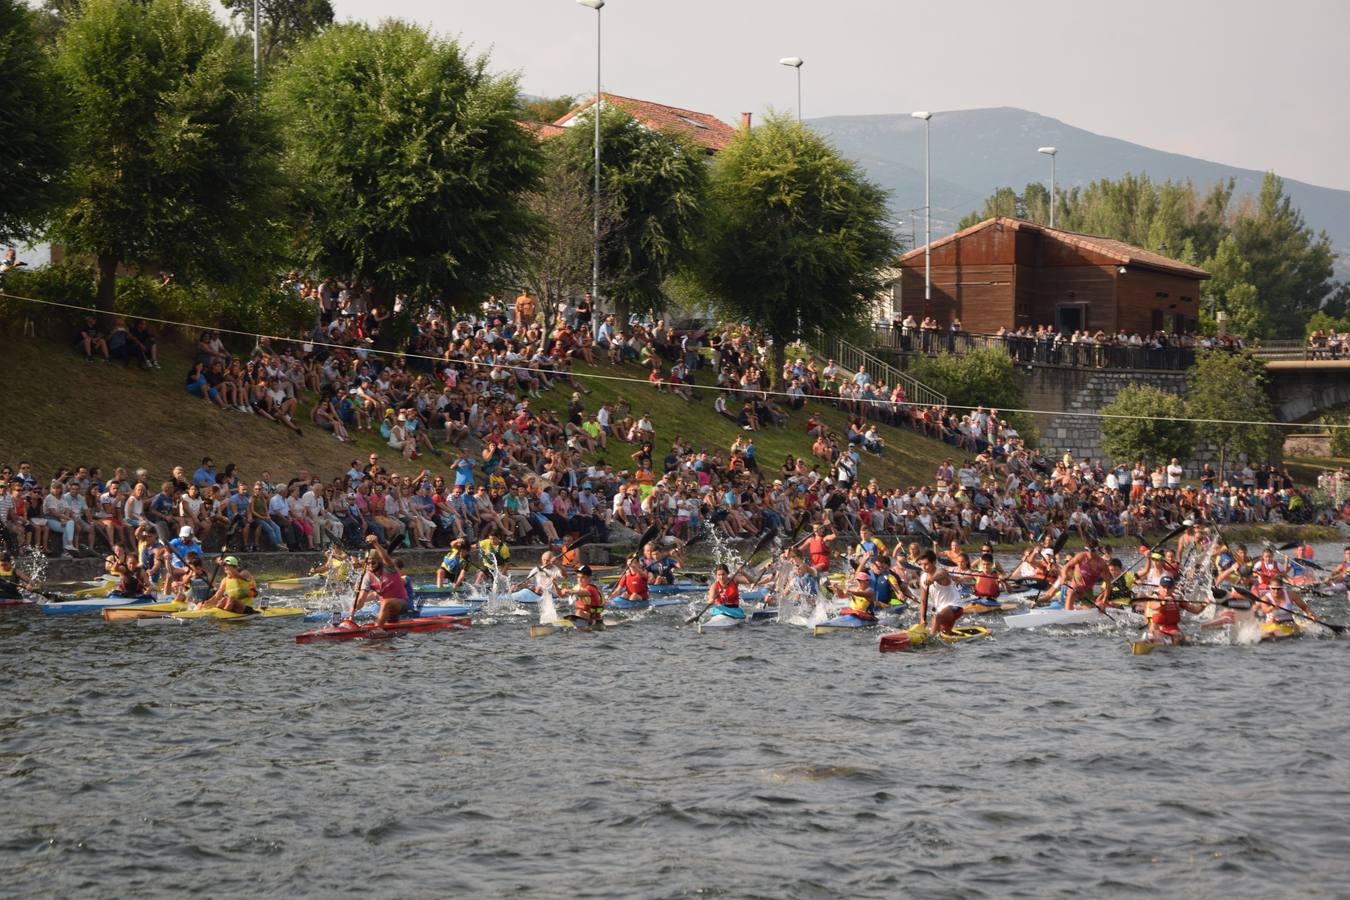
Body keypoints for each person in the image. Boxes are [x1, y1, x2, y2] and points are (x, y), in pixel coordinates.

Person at [350, 536, 408, 627]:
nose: (370, 566)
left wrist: (376, 543)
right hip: (387, 610)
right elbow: (361, 600)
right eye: (368, 563)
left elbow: (386, 558)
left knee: (386, 602)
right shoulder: (368, 576)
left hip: (402, 604)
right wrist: (351, 614)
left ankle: (377, 629)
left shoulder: (389, 568)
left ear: (381, 562)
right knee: (357, 603)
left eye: (373, 563)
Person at [1141, 575, 1205, 646]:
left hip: (1171, 629)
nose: (1166, 590)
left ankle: (1183, 639)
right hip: (1157, 628)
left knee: (1181, 638)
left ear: (1173, 588)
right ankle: (1150, 641)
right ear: (1160, 587)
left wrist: (1203, 605)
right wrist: (1163, 602)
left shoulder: (1177, 598)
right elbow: (1152, 606)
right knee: (1154, 632)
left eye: (1169, 588)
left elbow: (1195, 610)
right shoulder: (1154, 597)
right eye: (1164, 587)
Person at [918, 549, 963, 635]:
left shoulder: (941, 571)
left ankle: (929, 640)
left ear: (934, 563)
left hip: (955, 607)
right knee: (943, 634)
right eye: (921, 564)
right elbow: (923, 601)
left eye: (926, 564)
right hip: (941, 610)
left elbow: (940, 574)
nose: (923, 567)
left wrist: (932, 579)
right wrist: (922, 619)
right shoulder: (923, 577)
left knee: (936, 617)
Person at [1258, 574, 1316, 639]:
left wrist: (1310, 615)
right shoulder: (1265, 598)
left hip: (1288, 623)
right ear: (1270, 588)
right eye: (1273, 589)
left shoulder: (1291, 595)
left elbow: (1304, 607)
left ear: (1282, 588)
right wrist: (1272, 608)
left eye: (1278, 589)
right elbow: (1265, 610)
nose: (1276, 591)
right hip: (1272, 623)